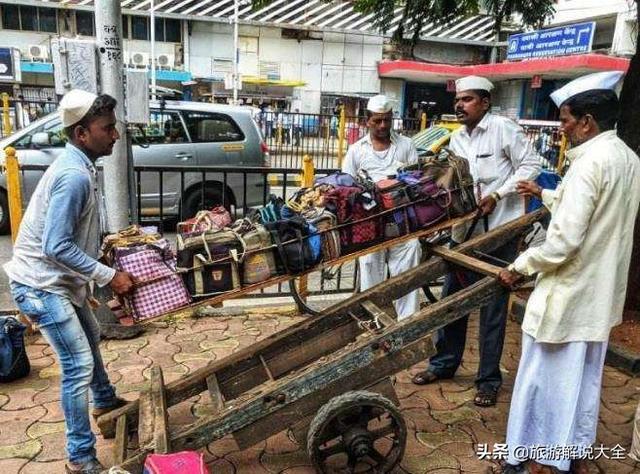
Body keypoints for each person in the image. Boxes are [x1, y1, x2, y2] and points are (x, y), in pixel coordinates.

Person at [497, 71, 640, 474]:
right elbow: (593, 213)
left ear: (587, 121)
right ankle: (569, 452)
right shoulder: (628, 159)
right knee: (582, 381)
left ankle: (533, 459)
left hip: (569, 295)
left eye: (565, 121)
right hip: (598, 296)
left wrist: (519, 266)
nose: (562, 130)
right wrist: (543, 193)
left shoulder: (588, 164)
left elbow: (563, 242)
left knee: (544, 383)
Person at [3, 89, 136, 474]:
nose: (115, 135)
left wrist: (91, 274)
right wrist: (109, 276)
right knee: (77, 364)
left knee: (91, 337)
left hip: (59, 282)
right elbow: (56, 245)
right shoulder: (73, 176)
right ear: (81, 133)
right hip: (41, 287)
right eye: (107, 128)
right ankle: (80, 457)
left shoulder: (79, 166)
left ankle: (107, 401)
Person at [411, 76, 541, 408]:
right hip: (464, 234)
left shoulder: (503, 129)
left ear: (484, 102)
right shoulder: (456, 139)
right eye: (458, 100)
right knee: (452, 301)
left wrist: (499, 194)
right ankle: (444, 364)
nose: (459, 105)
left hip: (499, 231)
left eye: (467, 99)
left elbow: (532, 165)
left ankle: (488, 380)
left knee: (492, 309)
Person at [341, 94, 421, 320]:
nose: (383, 125)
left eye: (387, 120)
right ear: (367, 121)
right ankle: (374, 321)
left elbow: (417, 180)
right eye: (377, 120)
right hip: (369, 225)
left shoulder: (406, 145)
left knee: (409, 260)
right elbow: (345, 187)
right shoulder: (356, 150)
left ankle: (409, 323)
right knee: (369, 269)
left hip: (402, 220)